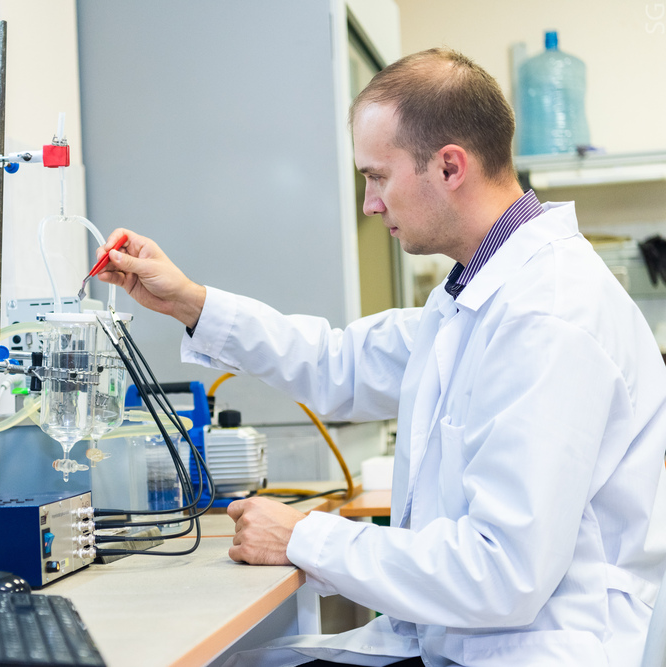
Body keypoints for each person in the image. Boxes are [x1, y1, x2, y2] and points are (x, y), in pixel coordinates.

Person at [95, 48, 666, 667]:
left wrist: (305, 536)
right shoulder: (478, 296)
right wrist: (189, 301)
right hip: (468, 639)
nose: (370, 203)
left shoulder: (548, 316)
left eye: (376, 177)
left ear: (449, 166)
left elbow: (502, 572)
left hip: (537, 649)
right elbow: (337, 362)